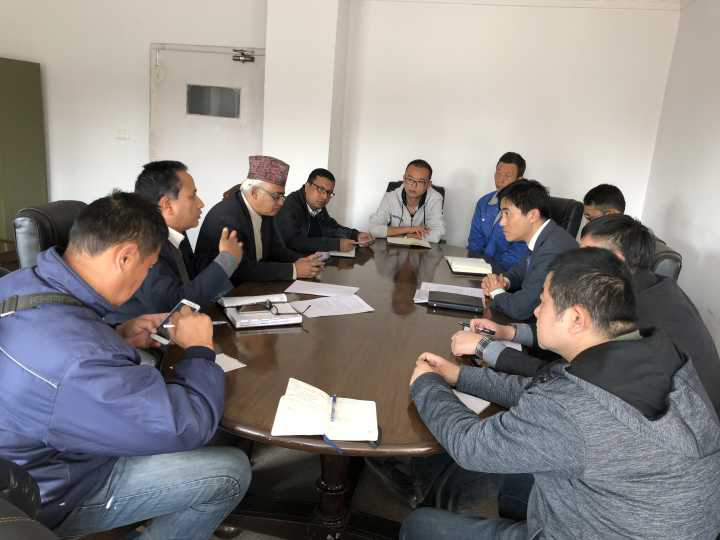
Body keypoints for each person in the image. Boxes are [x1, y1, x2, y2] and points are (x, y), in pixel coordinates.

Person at [402, 248, 720, 540]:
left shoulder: (571, 407)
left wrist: (427, 384)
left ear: (576, 318)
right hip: (649, 515)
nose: (536, 311)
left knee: (419, 526)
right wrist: (460, 375)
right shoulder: (661, 353)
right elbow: (544, 389)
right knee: (513, 481)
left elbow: (471, 445)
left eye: (544, 302)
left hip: (603, 528)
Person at [0, 192, 250, 539]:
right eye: (147, 268)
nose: (144, 278)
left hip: (22, 456)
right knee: (231, 472)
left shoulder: (15, 283)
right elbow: (184, 426)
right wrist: (199, 350)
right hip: (52, 493)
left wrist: (116, 333)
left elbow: (56, 349)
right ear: (126, 256)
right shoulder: (79, 361)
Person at [454, 214, 720, 414]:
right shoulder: (654, 286)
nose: (576, 263)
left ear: (616, 260)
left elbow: (561, 376)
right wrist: (508, 332)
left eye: (587, 255)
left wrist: (486, 348)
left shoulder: (632, 315)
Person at [109, 161, 244, 322]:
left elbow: (191, 279)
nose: (201, 203)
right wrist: (227, 259)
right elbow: (174, 307)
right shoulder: (142, 243)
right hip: (143, 335)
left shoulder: (176, 232)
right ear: (167, 205)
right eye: (192, 196)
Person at [194, 155, 325, 282]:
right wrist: (294, 270)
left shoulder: (266, 210)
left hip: (252, 283)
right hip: (225, 289)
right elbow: (239, 269)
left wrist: (302, 260)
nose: (281, 203)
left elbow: (275, 249)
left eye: (282, 196)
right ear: (254, 192)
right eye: (276, 196)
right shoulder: (227, 218)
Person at [481, 180, 577, 321]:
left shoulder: (552, 249)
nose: (501, 222)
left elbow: (521, 309)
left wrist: (495, 291)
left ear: (533, 215)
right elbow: (522, 269)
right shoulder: (546, 235)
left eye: (507, 214)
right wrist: (504, 282)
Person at [275, 167, 374, 254]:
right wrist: (336, 244)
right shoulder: (290, 205)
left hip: (313, 258)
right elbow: (293, 241)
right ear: (307, 186)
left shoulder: (317, 204)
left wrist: (356, 235)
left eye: (329, 193)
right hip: (291, 262)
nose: (325, 197)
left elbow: (331, 227)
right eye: (321, 189)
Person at [467, 152, 530, 272]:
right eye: (498, 173)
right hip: (478, 268)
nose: (500, 180)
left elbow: (519, 252)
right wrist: (472, 265)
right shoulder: (484, 202)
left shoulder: (525, 208)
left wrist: (492, 271)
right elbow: (474, 242)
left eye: (507, 176)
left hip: (506, 273)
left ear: (519, 180)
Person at [369, 159, 446, 243]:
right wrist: (409, 230)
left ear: (428, 184)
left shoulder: (435, 198)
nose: (413, 185)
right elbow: (373, 229)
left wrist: (406, 236)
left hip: (421, 249)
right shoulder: (390, 197)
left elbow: (437, 233)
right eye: (410, 179)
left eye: (420, 182)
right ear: (404, 179)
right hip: (394, 249)